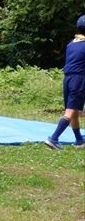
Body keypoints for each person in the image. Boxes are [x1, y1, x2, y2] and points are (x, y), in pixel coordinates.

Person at [45, 15, 85, 150]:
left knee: (73, 110)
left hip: (67, 79)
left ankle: (79, 140)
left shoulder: (71, 44)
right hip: (78, 80)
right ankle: (54, 138)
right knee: (70, 111)